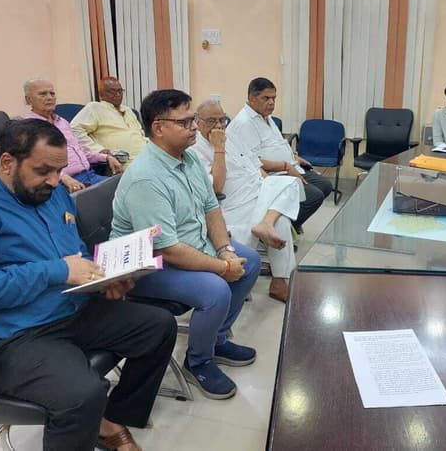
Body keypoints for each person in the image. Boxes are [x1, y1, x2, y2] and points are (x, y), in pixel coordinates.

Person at [0, 119, 177, 451]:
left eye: (59, 170)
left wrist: (102, 279)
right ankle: (90, 417)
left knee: (159, 327)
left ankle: (110, 420)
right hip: (6, 335)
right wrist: (59, 271)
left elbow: (74, 252)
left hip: (68, 309)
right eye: (43, 171)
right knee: (81, 396)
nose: (54, 180)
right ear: (7, 162)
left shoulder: (53, 194)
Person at [111, 89, 261, 400]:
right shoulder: (146, 178)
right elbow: (167, 249)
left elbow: (211, 208)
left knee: (250, 262)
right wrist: (222, 267)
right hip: (146, 267)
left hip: (189, 245)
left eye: (193, 120)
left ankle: (216, 339)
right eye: (185, 122)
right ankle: (198, 361)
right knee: (216, 289)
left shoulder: (188, 158)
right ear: (158, 127)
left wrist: (226, 251)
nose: (195, 127)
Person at [192, 99, 304, 303]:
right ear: (198, 122)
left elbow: (254, 165)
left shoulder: (232, 137)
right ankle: (278, 278)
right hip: (232, 201)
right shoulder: (194, 149)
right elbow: (216, 187)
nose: (218, 126)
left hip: (256, 191)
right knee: (281, 217)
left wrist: (270, 187)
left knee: (290, 186)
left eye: (222, 120)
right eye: (211, 121)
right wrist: (219, 148)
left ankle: (268, 230)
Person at [226, 77, 333, 232]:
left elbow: (276, 144)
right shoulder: (244, 123)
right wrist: (285, 166)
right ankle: (282, 229)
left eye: (274, 98)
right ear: (252, 98)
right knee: (313, 196)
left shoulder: (266, 117)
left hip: (290, 166)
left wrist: (295, 158)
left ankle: (291, 223)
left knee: (325, 185)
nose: (271, 103)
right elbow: (251, 161)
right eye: (266, 98)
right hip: (272, 173)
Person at [23, 78, 123, 193]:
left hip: (89, 175)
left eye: (52, 93)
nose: (49, 97)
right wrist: (62, 177)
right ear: (28, 99)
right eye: (43, 94)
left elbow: (81, 152)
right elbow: (33, 165)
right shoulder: (28, 128)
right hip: (61, 184)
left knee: (122, 188)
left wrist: (106, 157)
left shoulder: (62, 122)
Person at [71, 77, 148, 165]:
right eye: (112, 91)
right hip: (124, 162)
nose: (118, 94)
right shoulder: (94, 108)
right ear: (101, 94)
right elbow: (74, 129)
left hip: (146, 156)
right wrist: (97, 150)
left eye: (120, 91)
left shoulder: (128, 110)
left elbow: (140, 133)